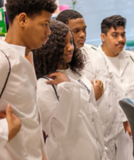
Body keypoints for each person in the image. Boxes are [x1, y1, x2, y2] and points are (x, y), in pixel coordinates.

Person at [0, 0, 57, 160]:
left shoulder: (26, 56)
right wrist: (1, 131)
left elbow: (31, 119)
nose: (48, 32)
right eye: (44, 24)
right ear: (23, 19)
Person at [33, 20, 105, 160]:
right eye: (63, 44)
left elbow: (92, 118)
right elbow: (58, 132)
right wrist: (66, 87)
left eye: (70, 42)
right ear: (49, 47)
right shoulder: (44, 84)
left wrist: (102, 151)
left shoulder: (78, 74)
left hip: (94, 152)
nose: (70, 47)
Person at [56, 9, 121, 160]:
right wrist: (92, 94)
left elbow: (112, 87)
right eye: (76, 31)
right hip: (86, 135)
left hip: (112, 133)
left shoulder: (95, 52)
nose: (82, 34)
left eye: (84, 30)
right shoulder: (61, 64)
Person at [99, 15, 134, 160]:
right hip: (109, 130)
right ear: (103, 36)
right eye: (115, 35)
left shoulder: (133, 58)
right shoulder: (94, 61)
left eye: (123, 34)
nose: (121, 39)